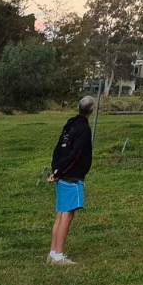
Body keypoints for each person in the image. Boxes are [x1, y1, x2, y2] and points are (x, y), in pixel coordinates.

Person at [46, 95, 95, 266]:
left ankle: (53, 253)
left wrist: (55, 169)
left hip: (62, 173)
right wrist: (60, 171)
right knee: (67, 215)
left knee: (61, 214)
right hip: (72, 177)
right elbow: (76, 154)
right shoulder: (84, 129)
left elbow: (58, 149)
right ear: (92, 110)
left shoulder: (70, 125)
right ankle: (58, 256)